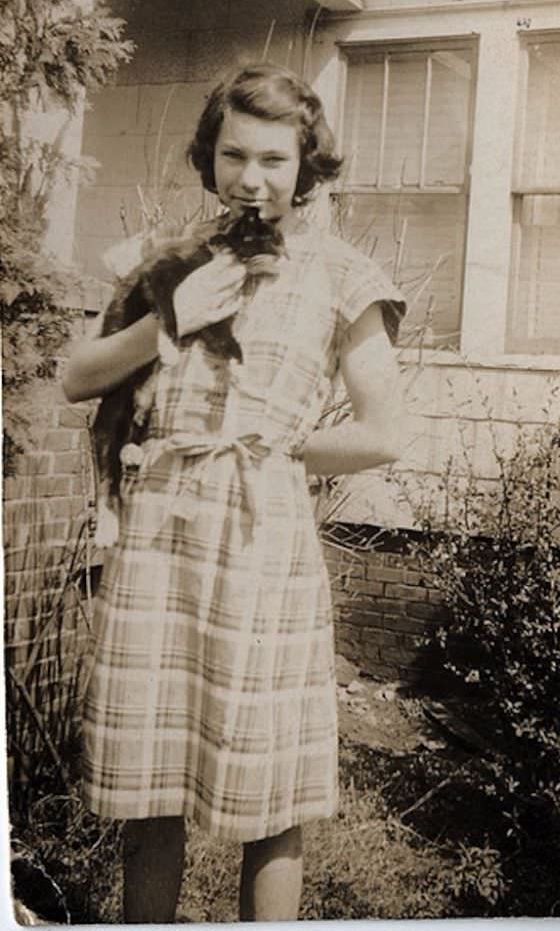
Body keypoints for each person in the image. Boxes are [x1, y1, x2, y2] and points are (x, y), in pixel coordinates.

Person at [63, 62, 406, 923]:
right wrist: (169, 318)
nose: (251, 179)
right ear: (209, 160)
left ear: (306, 166)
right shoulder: (169, 262)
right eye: (233, 156)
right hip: (160, 536)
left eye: (274, 161)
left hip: (265, 537)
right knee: (149, 789)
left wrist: (284, 449)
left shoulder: (342, 273)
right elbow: (73, 376)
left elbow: (383, 431)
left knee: (273, 800)